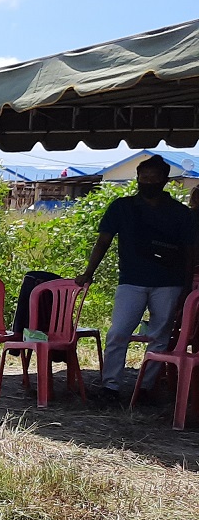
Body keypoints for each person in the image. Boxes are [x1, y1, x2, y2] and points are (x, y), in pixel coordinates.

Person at [77, 155, 199, 404]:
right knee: (118, 332)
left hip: (169, 282)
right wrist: (89, 272)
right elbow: (103, 242)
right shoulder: (122, 207)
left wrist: (186, 287)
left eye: (154, 179)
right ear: (137, 179)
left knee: (159, 336)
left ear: (165, 180)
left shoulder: (180, 214)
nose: (149, 182)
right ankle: (110, 387)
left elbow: (190, 252)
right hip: (131, 281)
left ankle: (146, 388)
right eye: (145, 178)